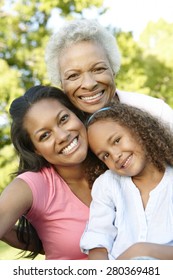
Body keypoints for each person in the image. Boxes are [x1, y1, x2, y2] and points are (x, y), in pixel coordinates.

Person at [0, 85, 105, 260]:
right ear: (36, 150)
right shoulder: (34, 184)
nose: (62, 135)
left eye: (63, 119)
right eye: (44, 136)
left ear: (77, 114)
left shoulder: (112, 158)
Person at [80, 103, 173, 260]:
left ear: (138, 128)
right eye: (105, 156)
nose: (115, 155)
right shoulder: (108, 184)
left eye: (116, 140)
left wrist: (142, 250)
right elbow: (98, 239)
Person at [45, 18, 173, 131]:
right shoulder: (66, 137)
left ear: (113, 70)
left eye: (98, 69)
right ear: (61, 84)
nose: (89, 84)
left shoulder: (156, 112)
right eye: (73, 76)